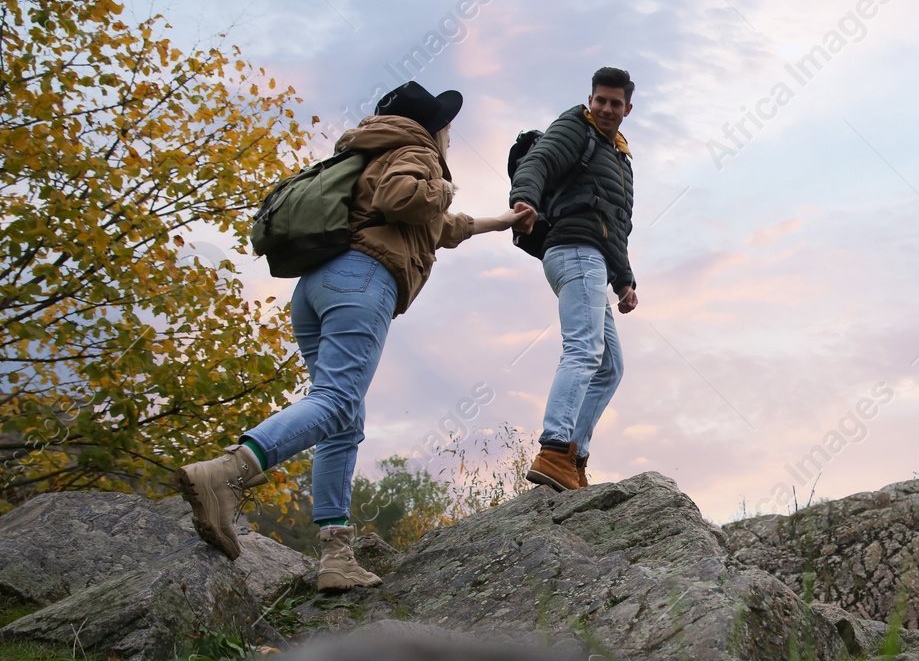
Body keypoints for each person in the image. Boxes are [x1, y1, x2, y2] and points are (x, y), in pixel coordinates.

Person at [177, 81, 533, 591]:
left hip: (318, 286)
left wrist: (498, 221)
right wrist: (444, 185)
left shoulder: (373, 152)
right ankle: (227, 474)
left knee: (343, 420)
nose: (450, 136)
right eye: (447, 127)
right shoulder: (416, 152)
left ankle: (336, 557)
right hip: (363, 280)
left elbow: (433, 226)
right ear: (432, 128)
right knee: (336, 401)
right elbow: (403, 199)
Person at [509, 66, 638, 492]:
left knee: (610, 366)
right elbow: (540, 161)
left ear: (627, 109)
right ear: (592, 98)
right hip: (574, 251)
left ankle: (575, 458)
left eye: (614, 103)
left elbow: (616, 226)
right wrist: (524, 198)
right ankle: (554, 449)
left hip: (595, 261)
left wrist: (625, 280)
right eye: (600, 99)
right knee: (584, 349)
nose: (605, 107)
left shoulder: (619, 158)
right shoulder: (574, 127)